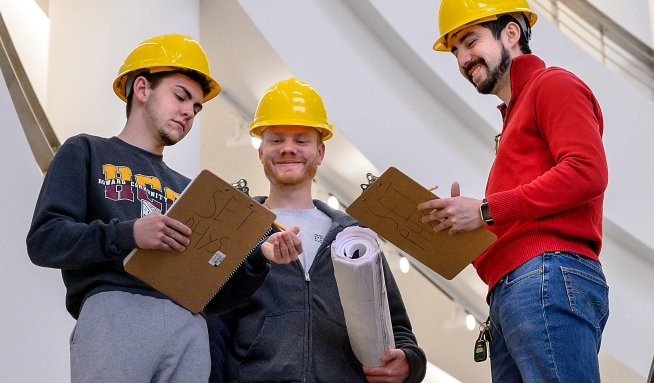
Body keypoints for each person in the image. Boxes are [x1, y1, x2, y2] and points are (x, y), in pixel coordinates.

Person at [27, 34, 303, 383]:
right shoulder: (86, 151)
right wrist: (129, 233)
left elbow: (212, 296)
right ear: (142, 89)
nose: (189, 112)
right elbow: (44, 240)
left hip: (189, 323)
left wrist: (259, 259)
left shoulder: (192, 189)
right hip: (115, 313)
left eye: (196, 107)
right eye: (180, 97)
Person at [419, 0, 609, 383]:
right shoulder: (514, 118)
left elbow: (587, 171)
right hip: (516, 290)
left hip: (544, 277)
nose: (463, 60)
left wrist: (485, 210)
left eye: (470, 41)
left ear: (511, 33)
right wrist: (464, 228)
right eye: (455, 51)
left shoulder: (553, 84)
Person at [212, 77, 427, 383]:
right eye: (276, 140)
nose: (288, 149)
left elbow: (396, 328)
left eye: (301, 140)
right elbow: (214, 330)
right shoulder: (237, 230)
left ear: (320, 152)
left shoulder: (354, 238)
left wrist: (410, 364)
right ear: (260, 151)